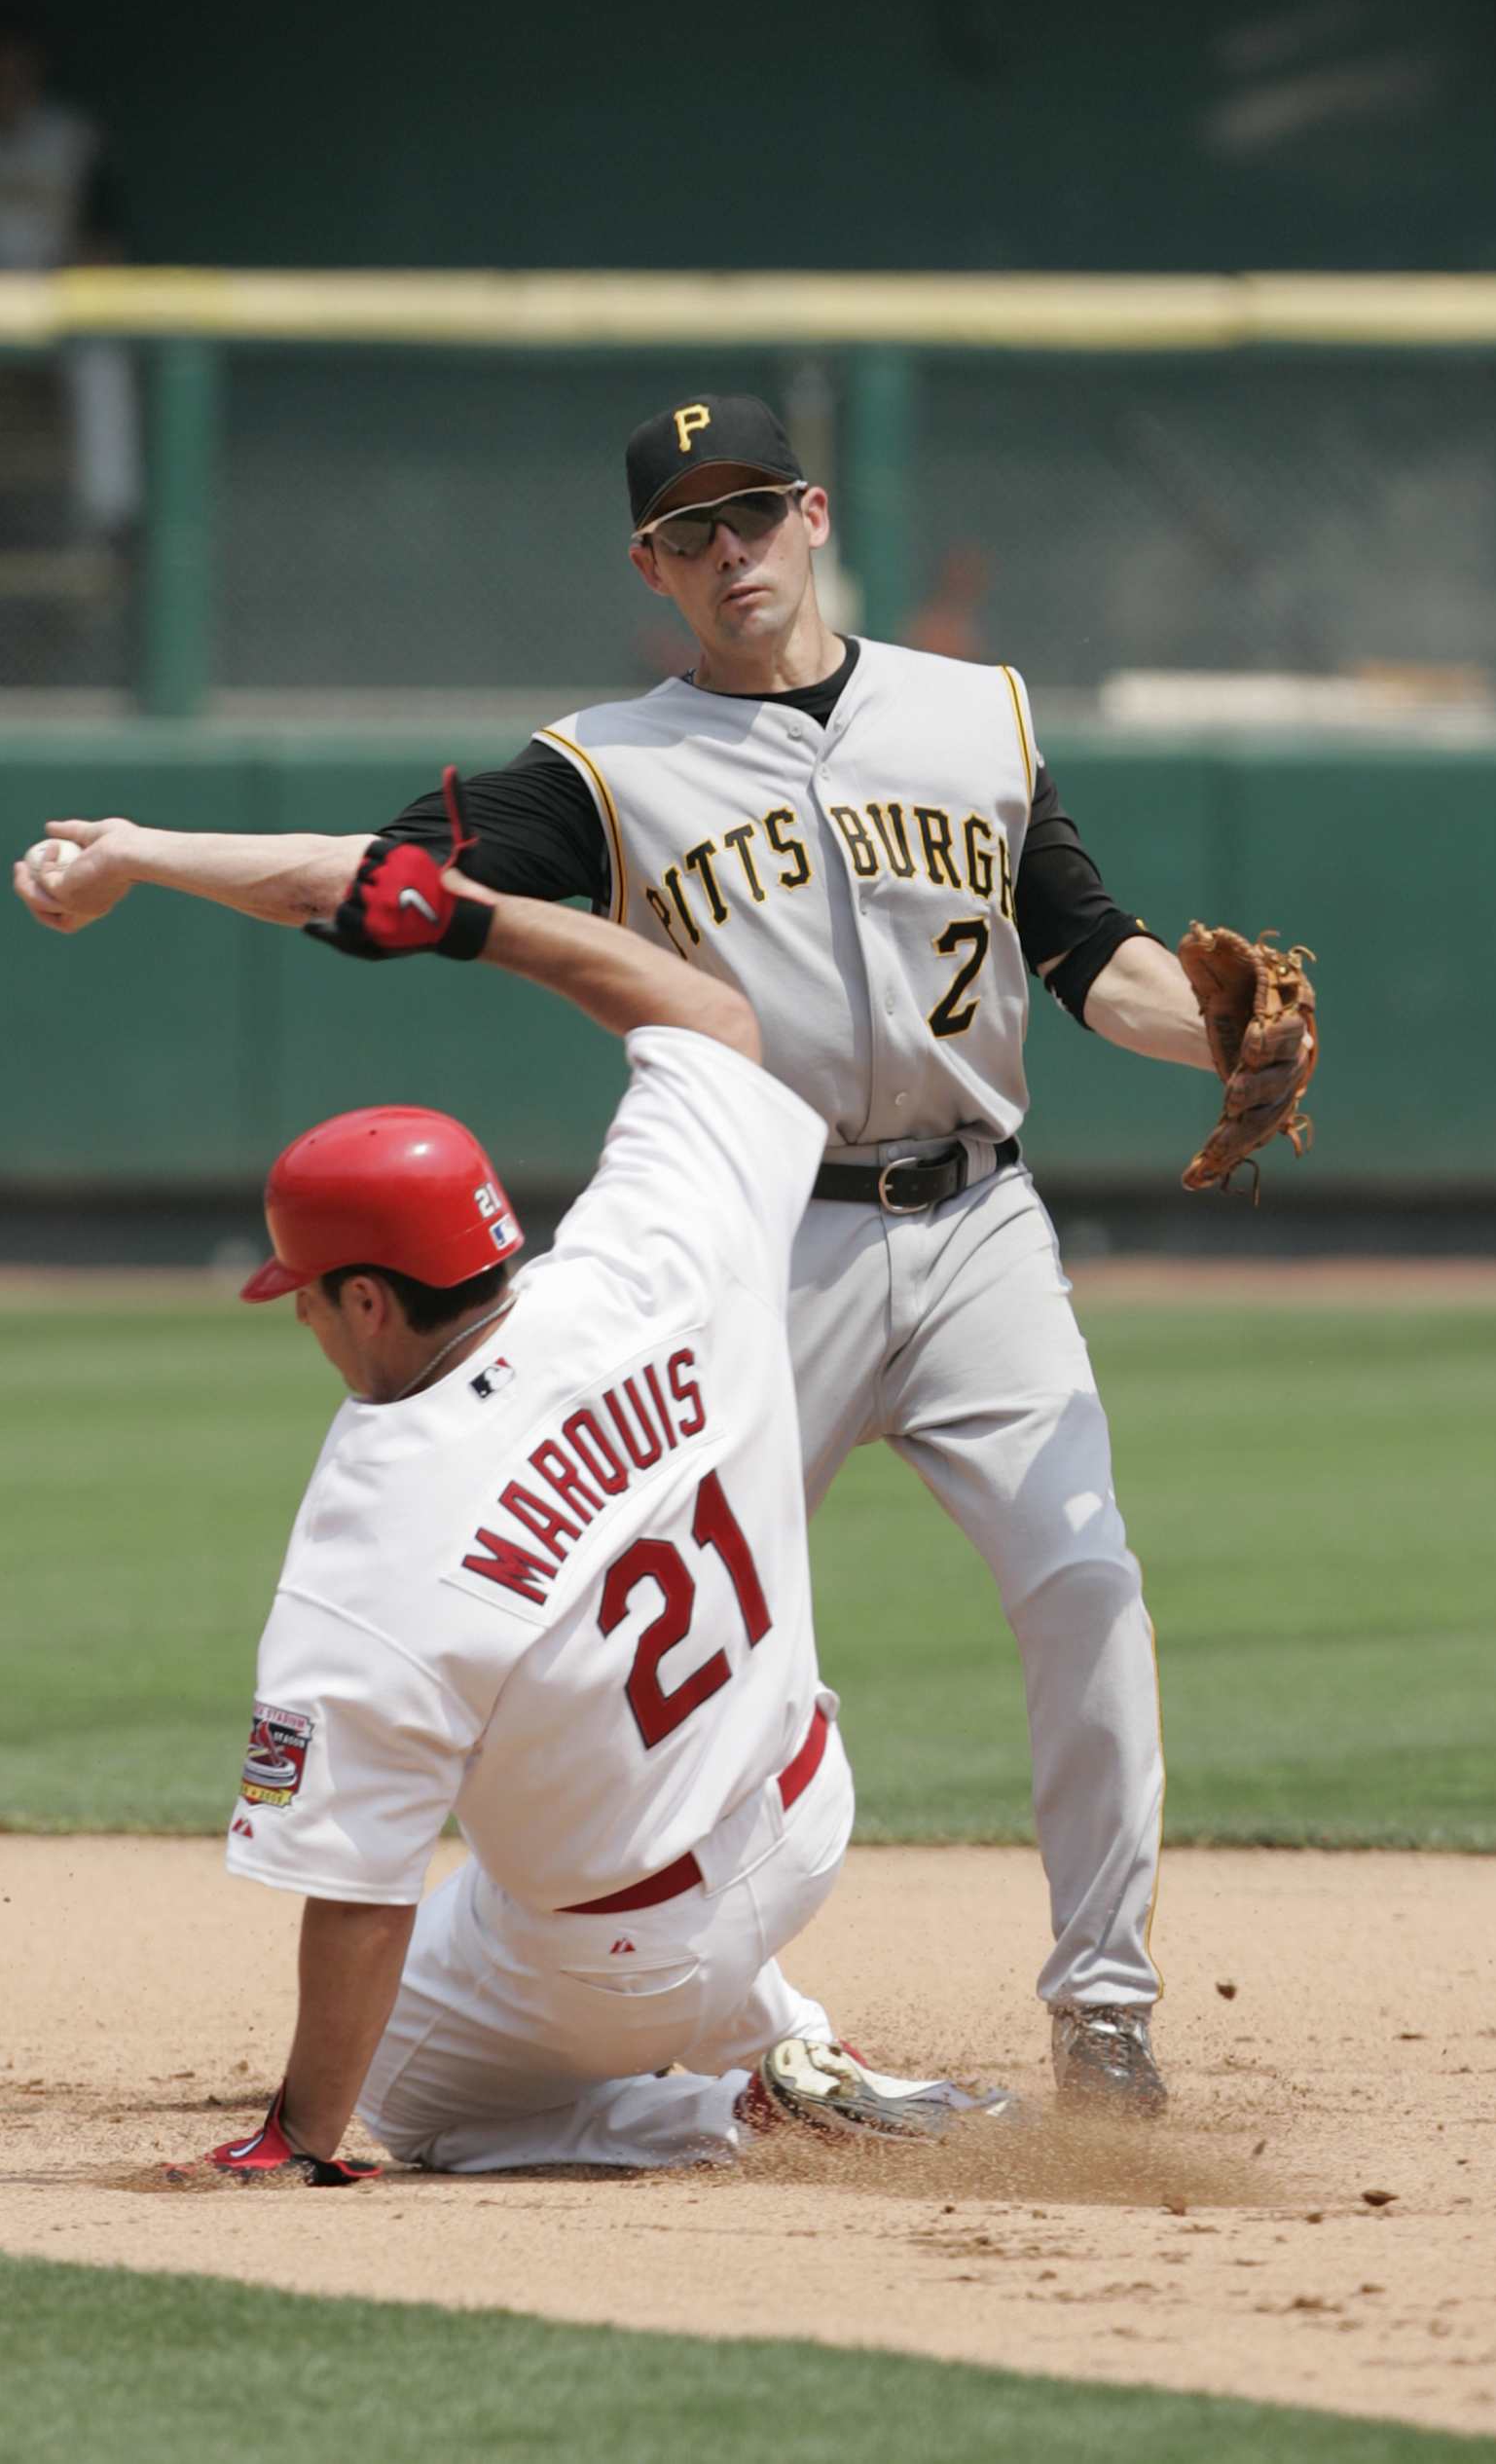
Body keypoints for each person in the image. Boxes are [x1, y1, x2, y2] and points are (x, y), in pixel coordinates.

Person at [18, 393, 1295, 2116]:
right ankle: (756, 2024)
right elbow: (374, 879)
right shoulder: (608, 767)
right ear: (650, 563)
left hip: (982, 1220)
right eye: (691, 531)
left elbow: (1093, 957)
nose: (731, 551)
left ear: (816, 514)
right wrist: (148, 856)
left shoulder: (972, 714)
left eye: (753, 511)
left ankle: (1108, 2011)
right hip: (769, 1242)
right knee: (660, 1638)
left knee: (1086, 1587)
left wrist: (1215, 1044)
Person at [193, 844, 1006, 2180]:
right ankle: (791, 2041)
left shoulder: (371, 1538)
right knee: (572, 1842)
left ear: (369, 1301)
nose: (299, 1314)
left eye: (305, 1289)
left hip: (625, 1954)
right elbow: (711, 1016)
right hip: (804, 1815)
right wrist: (468, 921)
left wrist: (301, 2135)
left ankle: (728, 2112)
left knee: (412, 2080)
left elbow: (357, 1888)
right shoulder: (654, 1255)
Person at [0, 12, 139, 537]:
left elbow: (105, 241)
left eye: (17, 68)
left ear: (36, 71)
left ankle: (110, 513)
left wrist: (80, 278)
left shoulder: (73, 136)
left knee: (102, 362)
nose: (7, 80)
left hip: (59, 294)